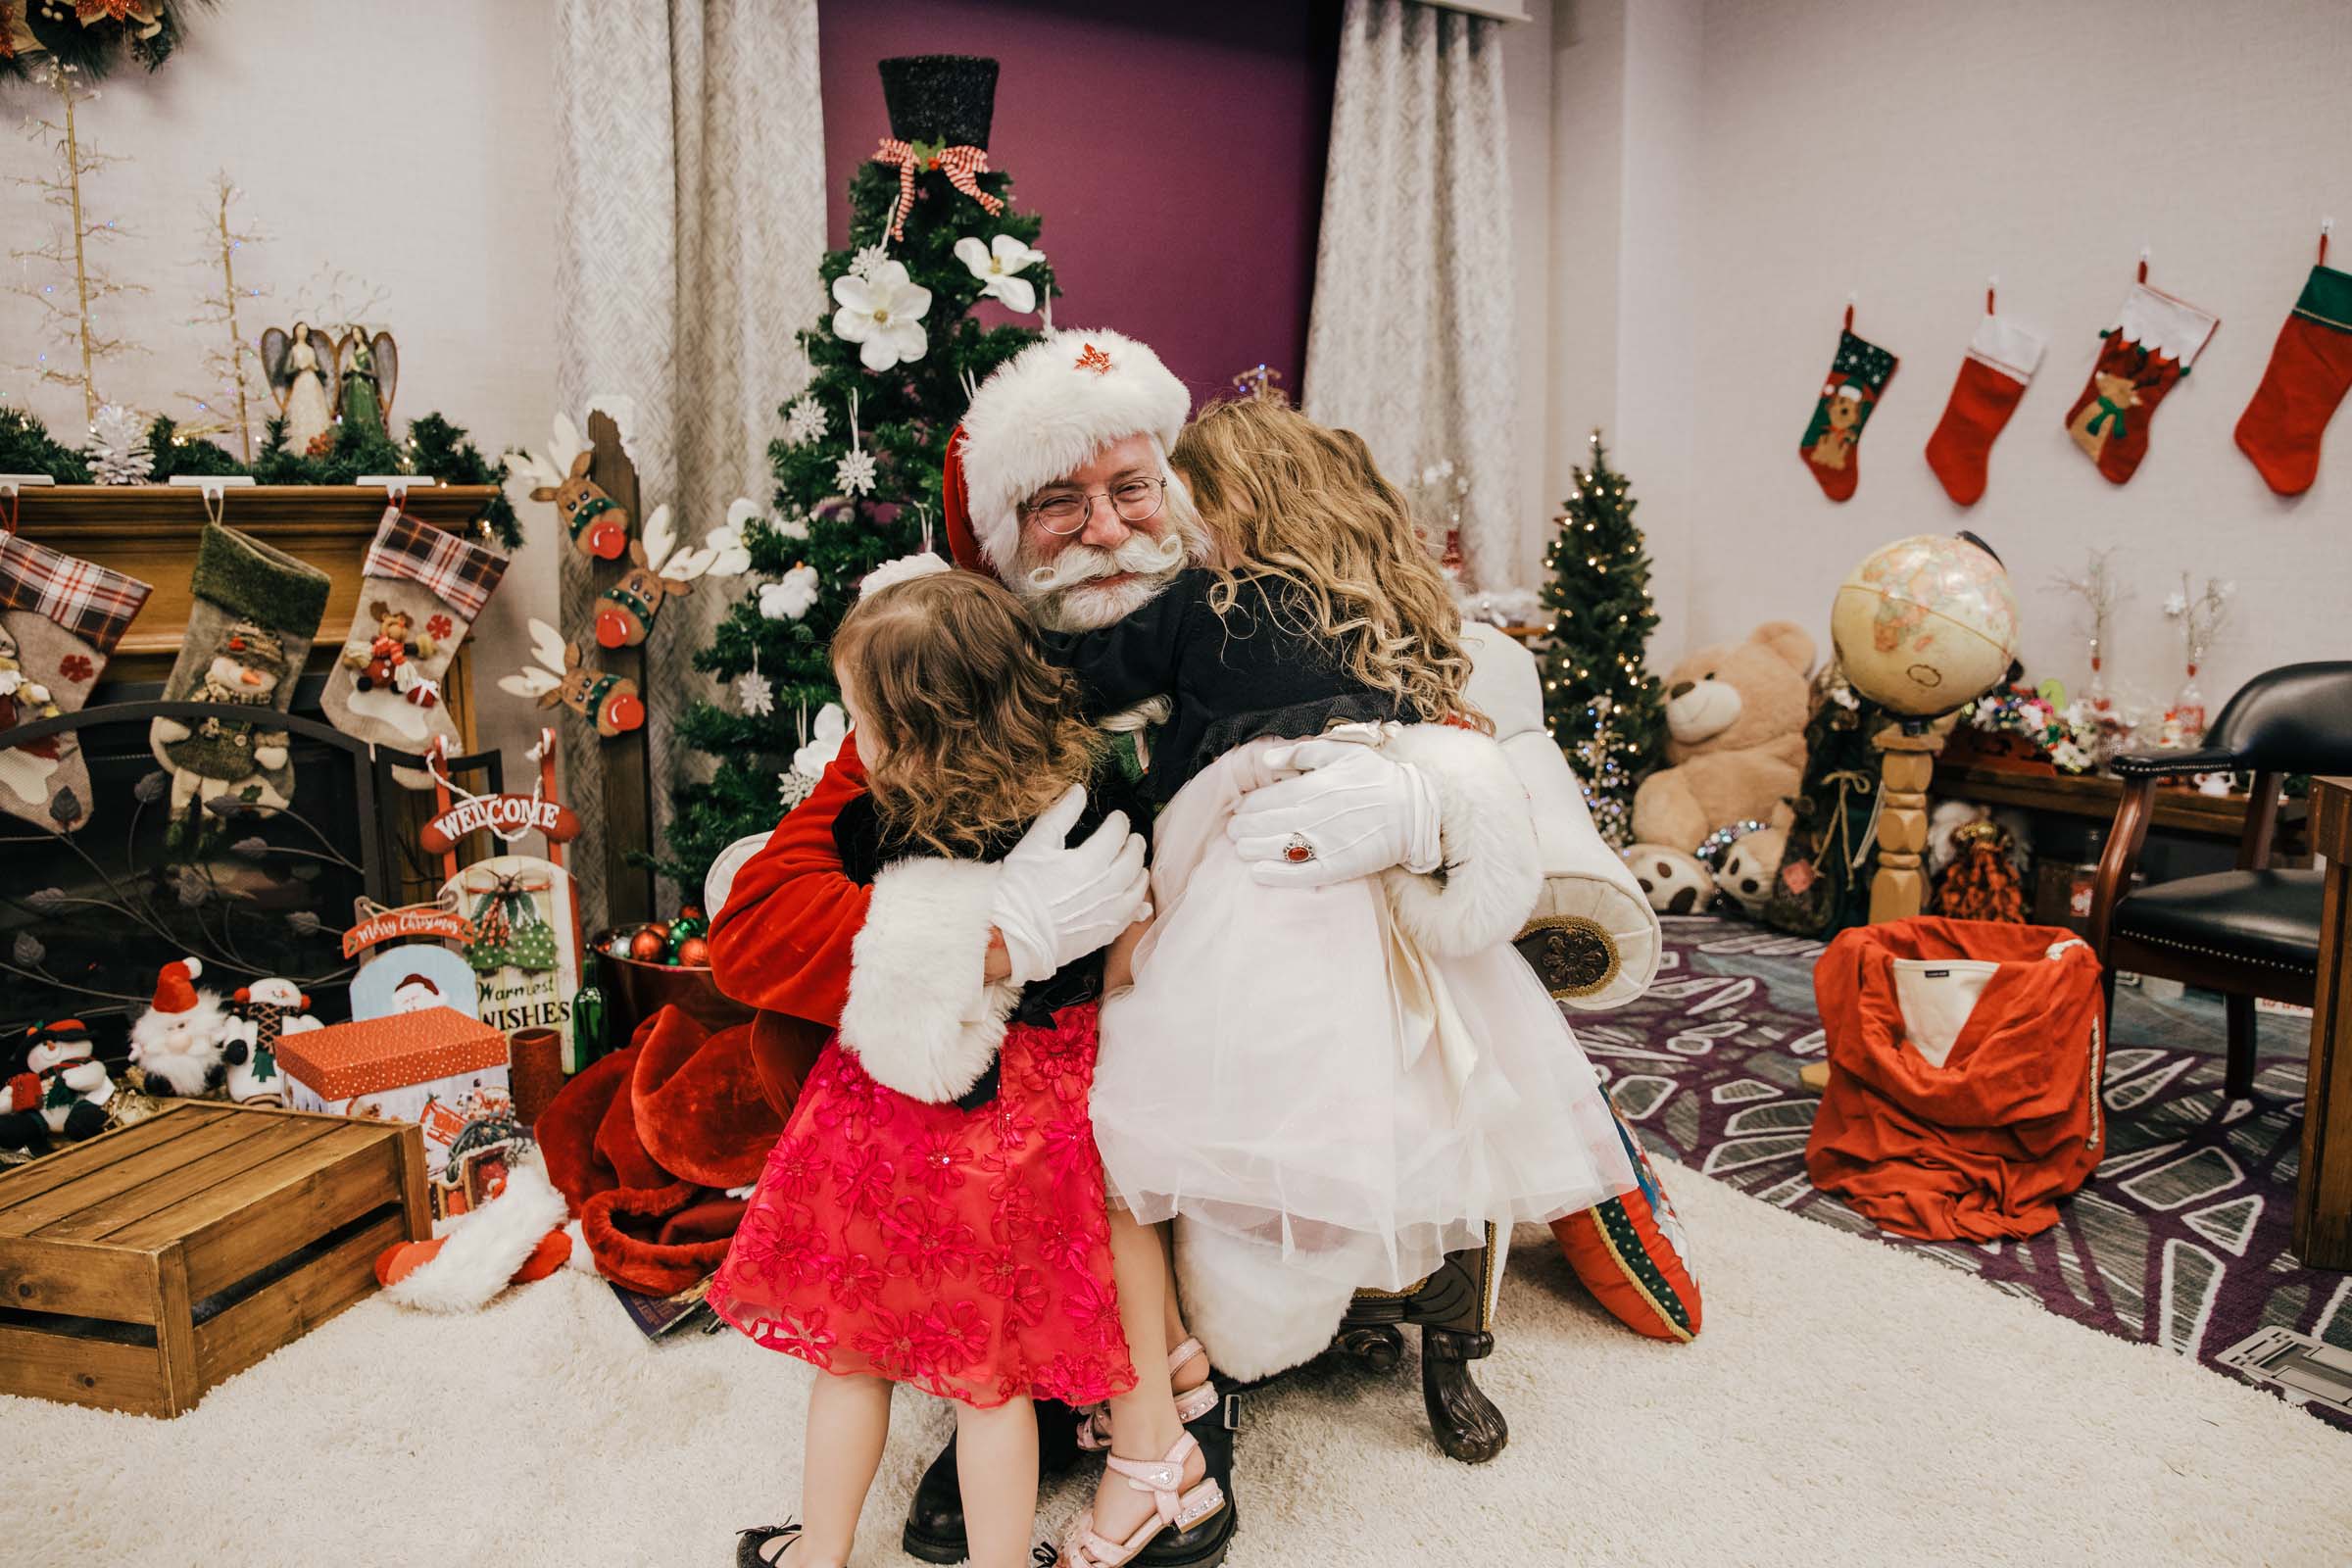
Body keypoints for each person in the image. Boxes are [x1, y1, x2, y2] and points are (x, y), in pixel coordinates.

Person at [708, 328, 1658, 1567]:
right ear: (1005, 535)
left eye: (1131, 488)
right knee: (1080, 1128)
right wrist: (995, 939)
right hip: (1033, 1058)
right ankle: (1053, 1390)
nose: (1105, 529)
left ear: (1182, 494)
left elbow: (1461, 747)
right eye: (1058, 503)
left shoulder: (1270, 613)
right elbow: (759, 925)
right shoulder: (953, 674)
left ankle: (1161, 1408)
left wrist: (1423, 804)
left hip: (1254, 1039)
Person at [1038, 395, 1637, 1567]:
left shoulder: (1203, 600)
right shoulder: (1387, 616)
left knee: (1136, 1116)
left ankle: (1189, 1355)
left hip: (1249, 902)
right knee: (1366, 1091)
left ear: (1232, 504)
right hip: (1379, 923)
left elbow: (1080, 675)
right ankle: (1269, 1314)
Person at [710, 567, 1154, 1568]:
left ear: (906, 730)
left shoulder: (869, 823)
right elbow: (1128, 955)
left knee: (851, 1357)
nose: (853, 739)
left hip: (882, 1117)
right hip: (1024, 1121)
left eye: (859, 717)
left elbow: (805, 928)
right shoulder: (1092, 805)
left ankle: (818, 1554)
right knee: (990, 1386)